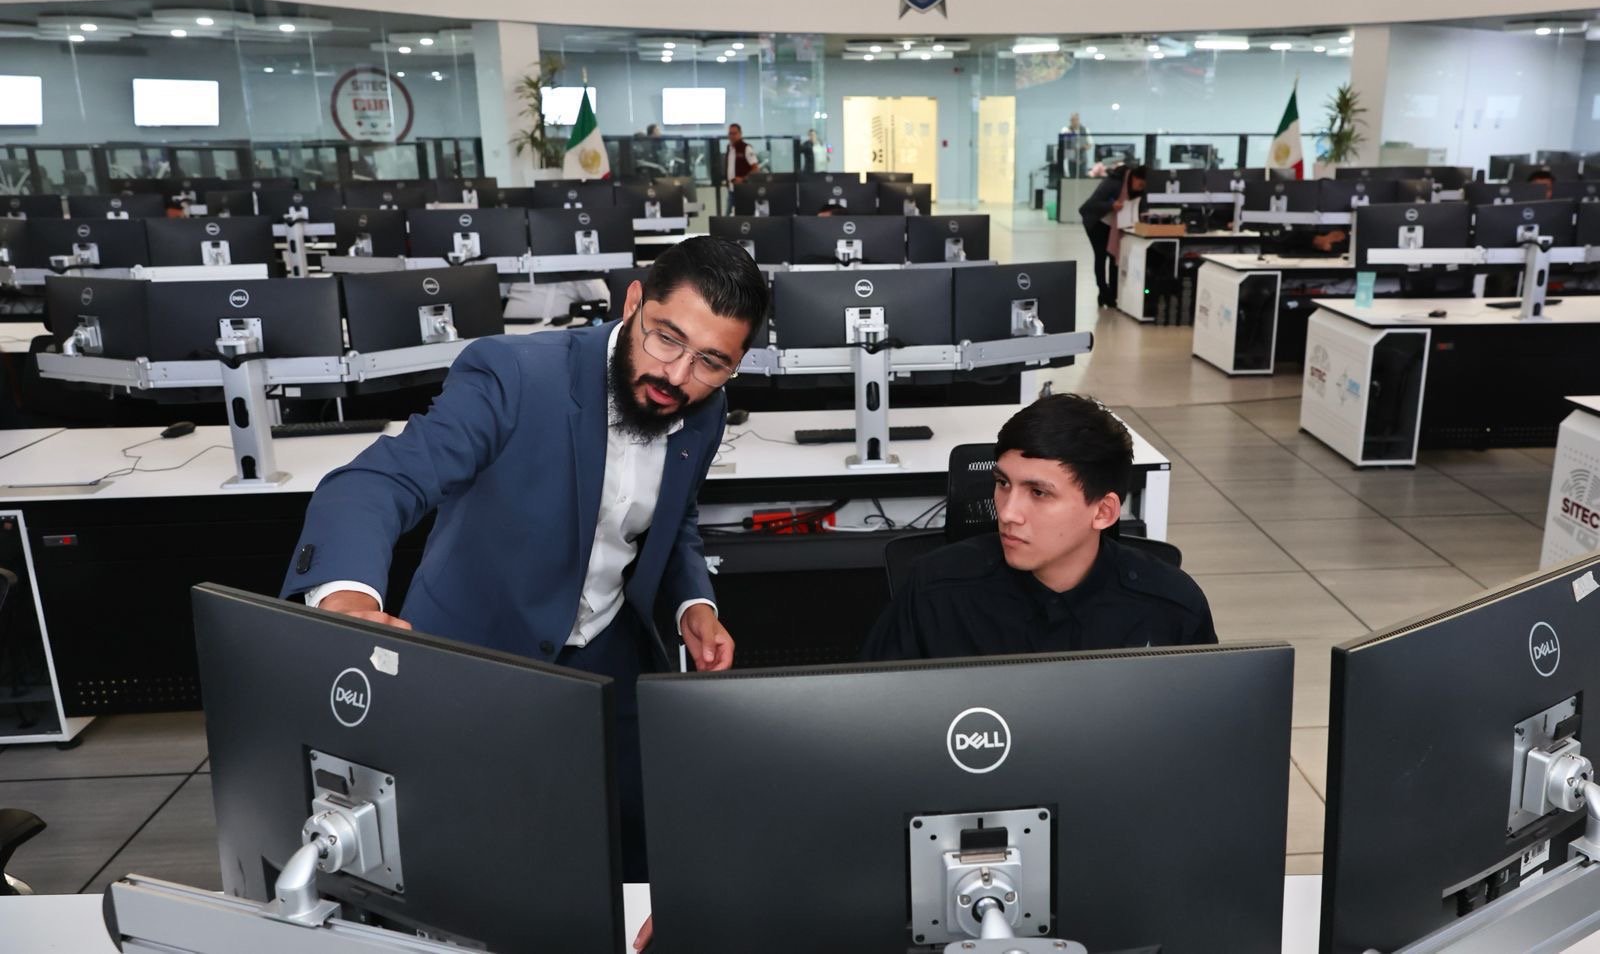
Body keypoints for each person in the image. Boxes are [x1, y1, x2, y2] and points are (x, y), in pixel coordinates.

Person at [279, 238, 769, 915]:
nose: (677, 376)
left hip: (610, 657)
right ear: (634, 302)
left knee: (633, 844)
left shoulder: (703, 406)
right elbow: (374, 483)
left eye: (711, 362)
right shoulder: (514, 374)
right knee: (471, 863)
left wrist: (694, 602)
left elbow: (673, 514)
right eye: (666, 338)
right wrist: (346, 600)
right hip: (478, 651)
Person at [862, 394, 1216, 661]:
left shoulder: (1171, 607)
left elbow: (1203, 726)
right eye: (1002, 483)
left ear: (1103, 512)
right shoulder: (935, 589)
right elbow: (873, 710)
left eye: (1038, 493)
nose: (1007, 513)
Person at [1078, 163, 1147, 307]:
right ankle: (1103, 291)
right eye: (1140, 185)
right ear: (1133, 177)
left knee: (1115, 256)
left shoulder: (1139, 190)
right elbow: (1092, 204)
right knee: (1101, 255)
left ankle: (1112, 294)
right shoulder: (1114, 182)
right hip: (1098, 222)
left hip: (1116, 226)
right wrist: (1111, 206)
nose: (1140, 189)